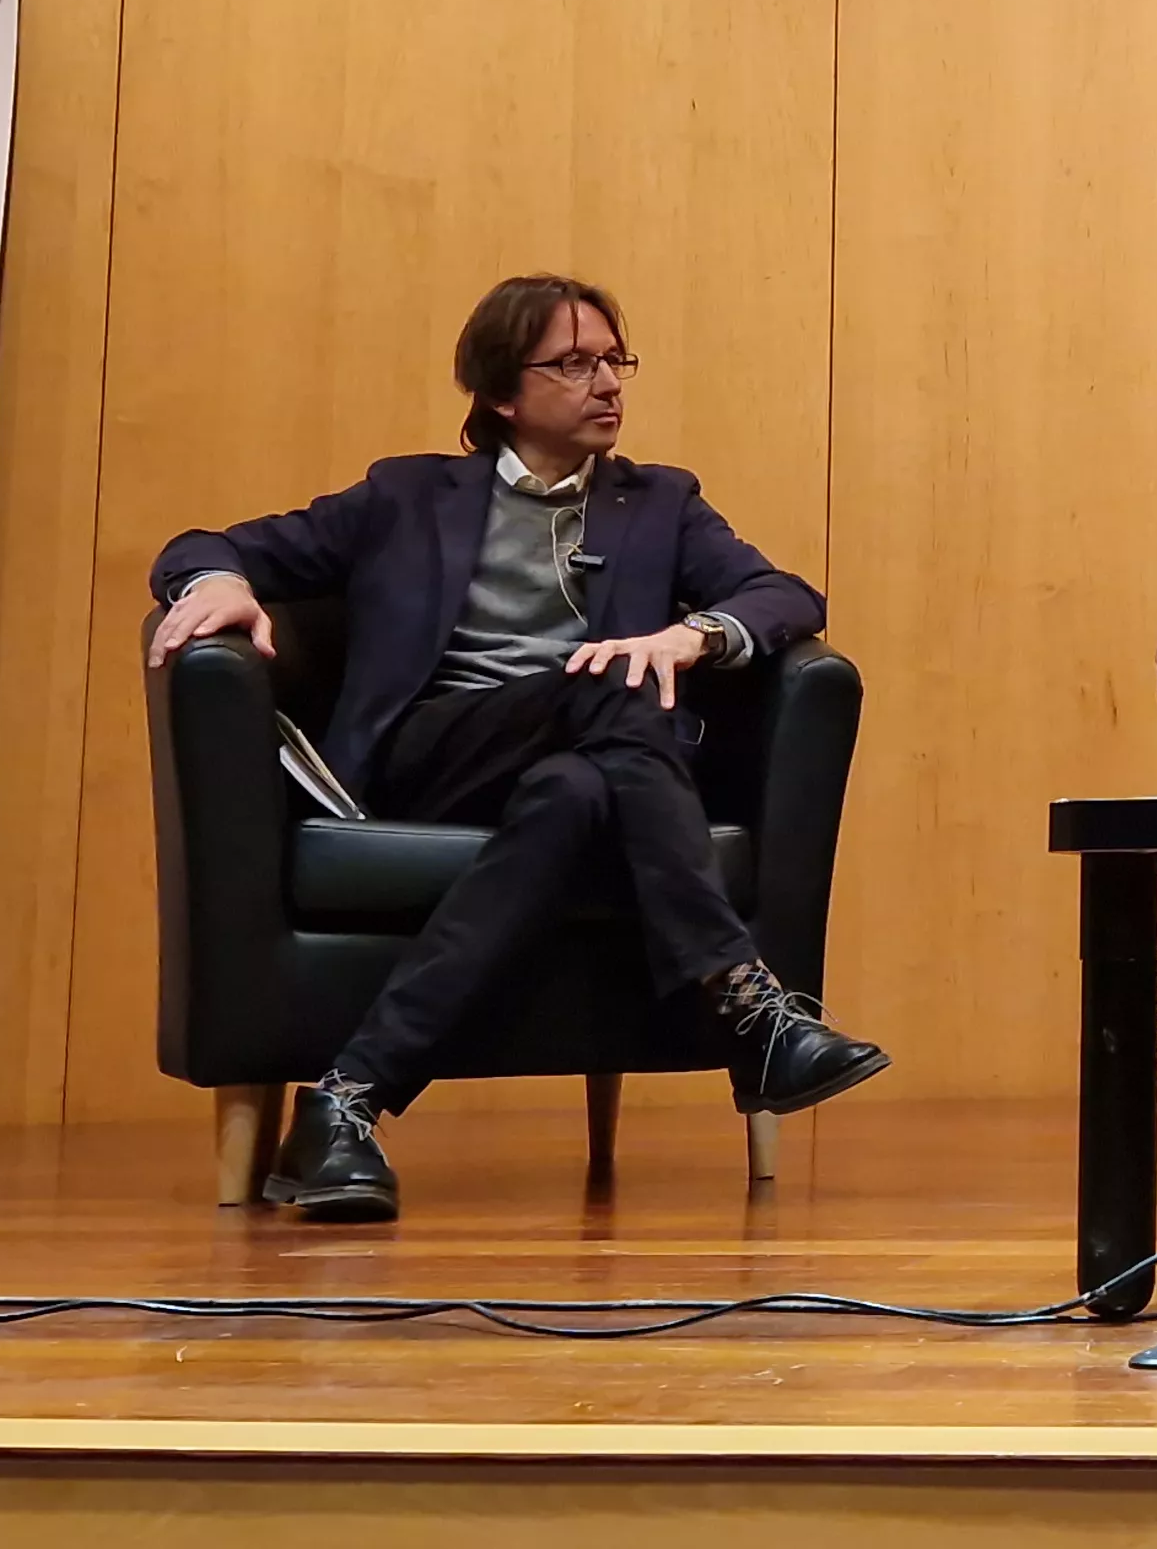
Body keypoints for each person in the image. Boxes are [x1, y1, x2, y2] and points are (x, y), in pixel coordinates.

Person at [145, 274, 888, 1222]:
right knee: (618, 700)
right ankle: (748, 1003)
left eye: (617, 360)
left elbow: (786, 596)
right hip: (432, 757)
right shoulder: (406, 495)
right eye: (575, 364)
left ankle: (344, 1104)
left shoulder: (660, 503)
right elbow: (202, 541)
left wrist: (688, 636)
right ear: (502, 392)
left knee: (578, 792)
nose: (608, 383)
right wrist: (217, 581)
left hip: (578, 760)